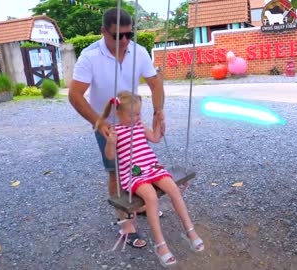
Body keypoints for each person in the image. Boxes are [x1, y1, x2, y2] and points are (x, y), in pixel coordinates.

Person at [68, 8, 164, 249]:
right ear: (103, 31)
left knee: (140, 166)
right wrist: (98, 122)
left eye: (128, 35)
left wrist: (157, 111)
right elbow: (75, 95)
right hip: (107, 125)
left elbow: (155, 84)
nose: (123, 41)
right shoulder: (89, 57)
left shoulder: (138, 52)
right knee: (116, 173)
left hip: (132, 120)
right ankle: (125, 223)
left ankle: (140, 204)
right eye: (117, 36)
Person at [101, 91, 204, 267]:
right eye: (131, 115)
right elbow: (110, 156)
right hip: (133, 173)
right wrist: (110, 142)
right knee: (151, 197)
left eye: (138, 114)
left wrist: (159, 124)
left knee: (173, 188)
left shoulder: (140, 126)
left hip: (151, 167)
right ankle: (160, 244)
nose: (135, 118)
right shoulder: (115, 131)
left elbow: (155, 138)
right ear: (118, 114)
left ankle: (190, 231)